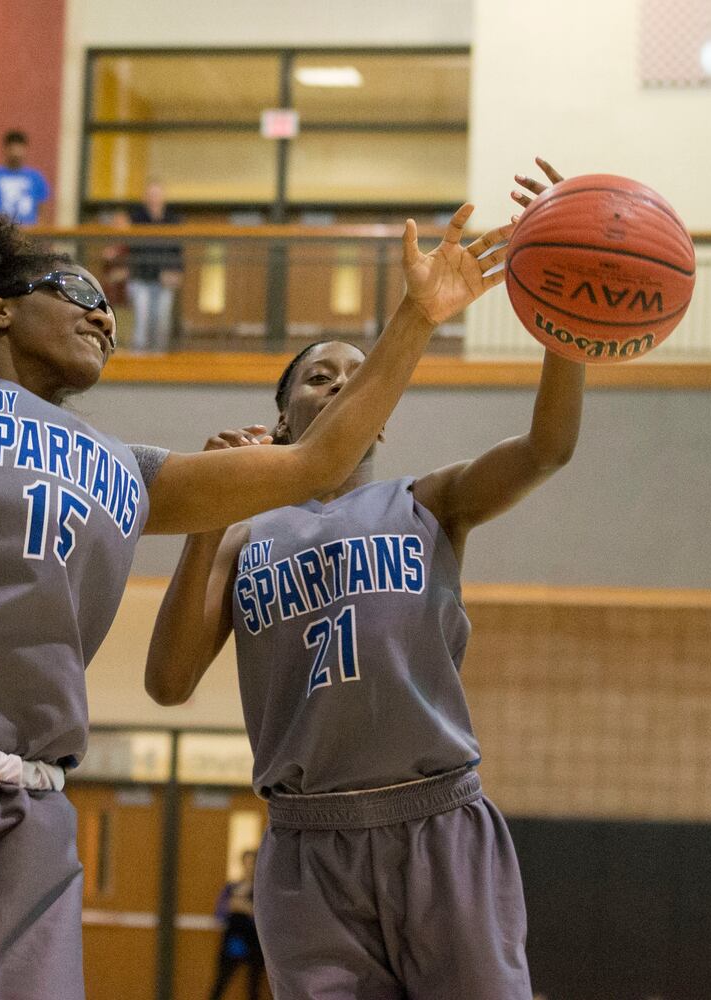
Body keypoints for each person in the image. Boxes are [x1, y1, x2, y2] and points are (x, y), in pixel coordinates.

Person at [0, 48, 513, 1000]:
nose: (106, 319)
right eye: (81, 297)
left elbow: (314, 463)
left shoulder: (132, 471)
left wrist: (417, 317)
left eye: (112, 311)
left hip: (29, 799)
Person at [143, 159, 577, 1000]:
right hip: (308, 845)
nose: (341, 384)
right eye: (318, 376)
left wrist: (563, 326)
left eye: (355, 376)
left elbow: (547, 449)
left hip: (435, 820)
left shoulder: (429, 503)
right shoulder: (243, 540)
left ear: (384, 411)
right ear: (282, 417)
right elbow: (167, 683)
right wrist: (206, 517)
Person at [125, 180, 184, 352]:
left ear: (163, 197)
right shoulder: (135, 218)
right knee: (141, 323)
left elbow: (177, 250)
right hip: (140, 277)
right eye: (150, 195)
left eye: (157, 194)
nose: (153, 198)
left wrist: (176, 272)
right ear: (145, 197)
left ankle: (159, 360)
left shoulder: (173, 221)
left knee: (162, 324)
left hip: (165, 279)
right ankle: (138, 362)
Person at [208, 850, 264, 1000]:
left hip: (255, 940)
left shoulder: (262, 889)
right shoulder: (231, 888)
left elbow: (264, 916)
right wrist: (234, 906)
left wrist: (246, 907)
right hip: (234, 938)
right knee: (222, 980)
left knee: (254, 985)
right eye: (247, 863)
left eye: (253, 863)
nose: (250, 867)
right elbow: (220, 913)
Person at [0, 129, 50, 225]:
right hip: (1, 233)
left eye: (20, 149)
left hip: (31, 233)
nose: (16, 154)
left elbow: (42, 211)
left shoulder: (36, 178)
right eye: (12, 149)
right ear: (5, 149)